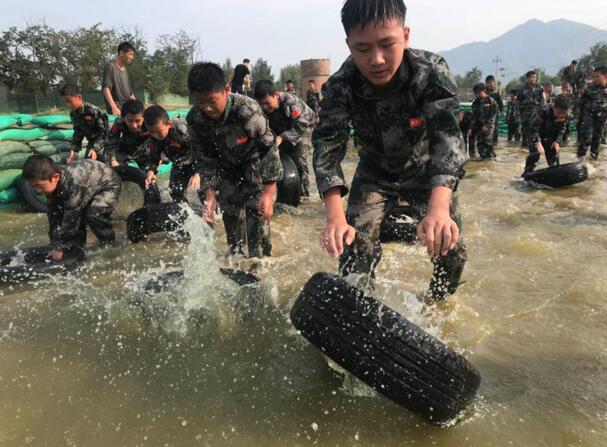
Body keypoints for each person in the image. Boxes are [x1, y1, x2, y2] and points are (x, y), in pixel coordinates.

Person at [313, 0, 467, 302]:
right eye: (363, 49)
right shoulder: (342, 85)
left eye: (387, 44)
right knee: (356, 248)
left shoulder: (430, 73)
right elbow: (327, 145)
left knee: (451, 249)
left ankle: (437, 308)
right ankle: (359, 308)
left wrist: (438, 208)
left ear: (406, 36)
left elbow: (448, 140)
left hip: (426, 172)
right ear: (348, 45)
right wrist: (334, 216)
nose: (377, 59)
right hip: (375, 174)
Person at [186, 62, 283, 258]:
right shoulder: (195, 118)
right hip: (226, 167)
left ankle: (261, 261)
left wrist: (268, 193)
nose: (206, 108)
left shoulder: (247, 110)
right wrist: (211, 195)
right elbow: (205, 159)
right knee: (231, 219)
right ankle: (237, 259)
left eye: (212, 101)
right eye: (200, 102)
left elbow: (269, 150)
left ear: (227, 90)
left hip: (253, 163)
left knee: (256, 218)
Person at [22, 155, 121, 261]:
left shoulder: (72, 183)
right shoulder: (52, 184)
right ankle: (79, 251)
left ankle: (111, 244)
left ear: (55, 177)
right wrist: (55, 243)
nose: (37, 191)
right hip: (86, 185)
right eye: (33, 186)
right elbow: (54, 217)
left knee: (92, 215)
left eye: (40, 186)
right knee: (61, 213)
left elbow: (72, 218)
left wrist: (61, 247)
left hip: (107, 183)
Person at [254, 79, 316, 197]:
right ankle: (283, 195)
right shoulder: (261, 109)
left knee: (298, 161)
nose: (265, 107)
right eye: (261, 104)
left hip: (304, 128)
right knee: (277, 160)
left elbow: (300, 127)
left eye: (267, 103)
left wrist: (282, 137)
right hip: (283, 130)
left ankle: (303, 196)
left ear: (275, 95)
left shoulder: (289, 101)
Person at [142, 105, 200, 203]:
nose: (155, 135)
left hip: (198, 160)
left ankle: (214, 212)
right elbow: (153, 156)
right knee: (175, 191)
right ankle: (186, 214)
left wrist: (198, 173)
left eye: (158, 132)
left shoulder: (182, 129)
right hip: (180, 163)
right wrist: (151, 171)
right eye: (151, 132)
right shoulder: (154, 138)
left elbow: (201, 149)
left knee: (204, 188)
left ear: (169, 124)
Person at [61, 84, 109, 164]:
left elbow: (104, 132)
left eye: (70, 101)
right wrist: (73, 150)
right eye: (66, 102)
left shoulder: (94, 111)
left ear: (79, 97)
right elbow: (78, 133)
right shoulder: (73, 114)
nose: (68, 105)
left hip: (105, 144)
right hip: (92, 143)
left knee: (108, 168)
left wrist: (95, 149)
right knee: (88, 165)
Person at [523, 95, 570, 175]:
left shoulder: (565, 115)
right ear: (554, 107)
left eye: (563, 113)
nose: (561, 115)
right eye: (559, 112)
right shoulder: (543, 111)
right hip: (535, 134)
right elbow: (532, 127)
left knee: (554, 155)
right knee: (535, 154)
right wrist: (537, 142)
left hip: (550, 136)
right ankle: (526, 175)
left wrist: (557, 141)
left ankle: (555, 175)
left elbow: (562, 129)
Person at [106, 99, 150, 168]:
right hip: (125, 148)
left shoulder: (150, 123)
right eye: (130, 121)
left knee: (146, 174)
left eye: (138, 121)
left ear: (143, 117)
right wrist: (113, 160)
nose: (134, 126)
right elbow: (110, 144)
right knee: (115, 168)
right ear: (123, 118)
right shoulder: (119, 123)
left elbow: (160, 143)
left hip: (144, 150)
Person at [576, 66, 607, 160]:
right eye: (594, 77)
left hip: (602, 118)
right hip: (588, 116)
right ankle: (579, 159)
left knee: (597, 139)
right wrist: (577, 115)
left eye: (597, 76)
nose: (594, 79)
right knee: (586, 138)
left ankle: (593, 160)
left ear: (605, 76)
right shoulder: (589, 88)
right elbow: (579, 102)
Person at [102, 42, 136, 117]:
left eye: (133, 55)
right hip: (118, 109)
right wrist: (114, 107)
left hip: (127, 108)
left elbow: (130, 94)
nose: (132, 57)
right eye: (130, 54)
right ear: (121, 53)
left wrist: (138, 107)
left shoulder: (125, 70)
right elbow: (106, 89)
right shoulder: (111, 67)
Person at [470, 83, 498, 160]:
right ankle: (483, 158)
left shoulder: (491, 101)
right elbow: (474, 116)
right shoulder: (475, 103)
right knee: (480, 143)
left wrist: (487, 125)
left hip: (488, 127)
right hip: (479, 125)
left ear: (484, 90)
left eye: (478, 93)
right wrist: (471, 128)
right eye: (475, 93)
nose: (476, 95)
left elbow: (493, 115)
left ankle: (490, 159)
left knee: (487, 142)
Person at [518, 71, 545, 148]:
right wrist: (520, 113)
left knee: (535, 130)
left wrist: (540, 112)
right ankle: (524, 147)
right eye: (532, 77)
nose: (534, 79)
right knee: (524, 130)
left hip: (536, 112)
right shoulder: (522, 89)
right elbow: (519, 101)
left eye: (535, 77)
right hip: (525, 114)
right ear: (527, 78)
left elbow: (542, 101)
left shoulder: (539, 88)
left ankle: (535, 146)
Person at [485, 75, 503, 144]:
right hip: (485, 113)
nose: (490, 84)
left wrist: (501, 111)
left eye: (491, 82)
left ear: (494, 82)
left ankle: (495, 142)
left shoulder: (496, 93)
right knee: (486, 126)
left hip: (495, 113)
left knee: (495, 127)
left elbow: (500, 103)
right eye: (488, 82)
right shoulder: (485, 91)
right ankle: (487, 141)